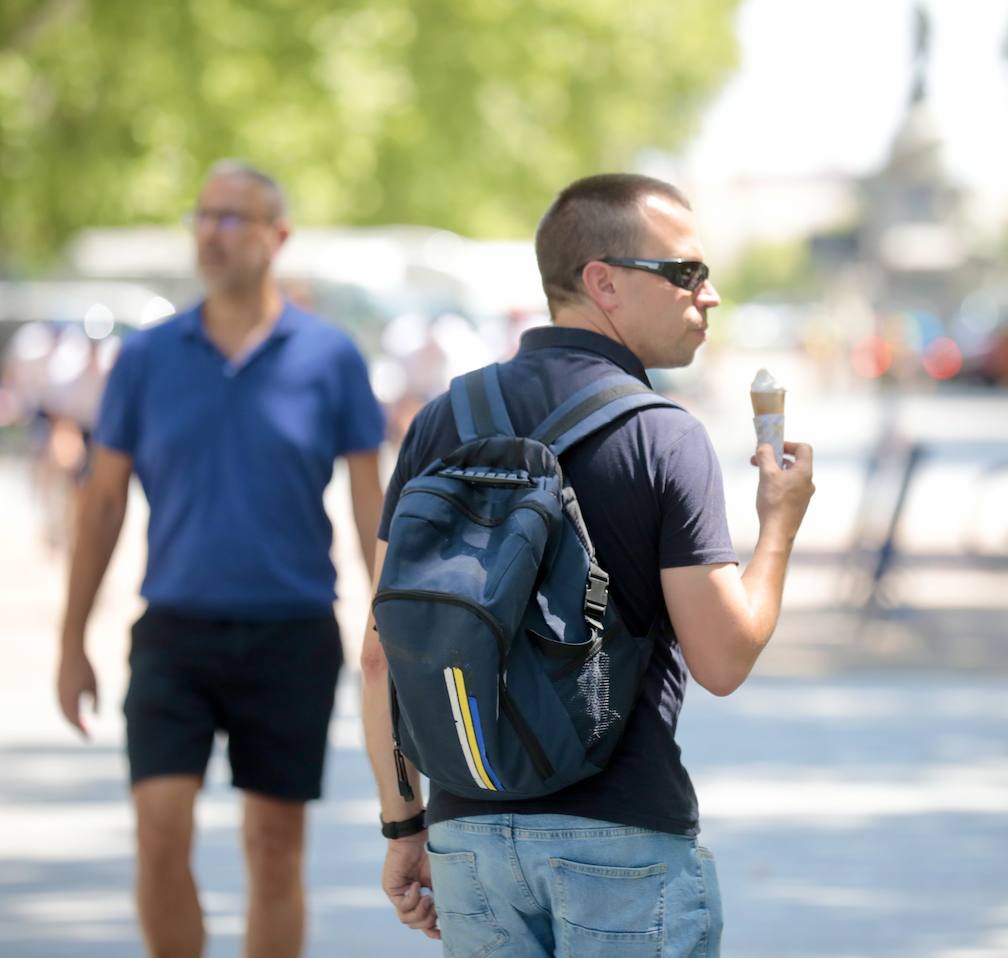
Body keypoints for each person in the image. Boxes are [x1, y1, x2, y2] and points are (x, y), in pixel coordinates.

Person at [360, 173, 815, 955]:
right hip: (622, 835)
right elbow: (723, 658)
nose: (708, 296)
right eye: (685, 272)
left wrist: (404, 827)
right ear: (603, 282)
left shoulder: (442, 421)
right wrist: (779, 524)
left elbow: (380, 657)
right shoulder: (663, 435)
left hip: (467, 838)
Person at [55, 160, 385, 958]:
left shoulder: (331, 357)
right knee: (158, 832)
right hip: (175, 631)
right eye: (203, 216)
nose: (212, 233)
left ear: (278, 236)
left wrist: (392, 633)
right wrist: (71, 642)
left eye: (234, 218)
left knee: (274, 847)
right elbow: (102, 504)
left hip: (292, 632)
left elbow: (370, 504)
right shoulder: (146, 357)